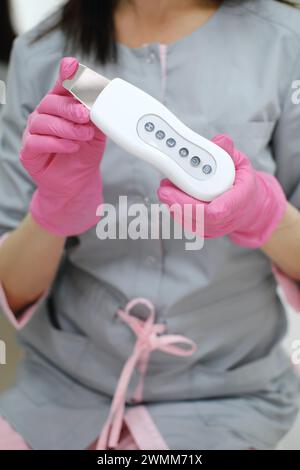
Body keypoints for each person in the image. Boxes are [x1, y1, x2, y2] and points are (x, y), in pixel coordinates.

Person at [0, 0, 300, 450]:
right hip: (61, 394)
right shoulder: (41, 53)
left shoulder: (285, 41)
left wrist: (264, 214)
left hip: (227, 397)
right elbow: (12, 284)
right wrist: (53, 211)